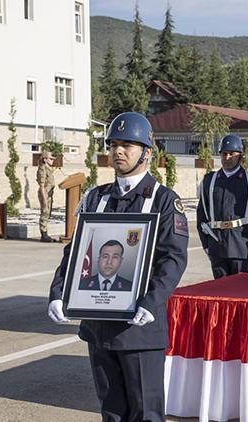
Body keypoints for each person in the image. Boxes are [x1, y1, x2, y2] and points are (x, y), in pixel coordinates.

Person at [47, 112, 189, 422]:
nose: (118, 151)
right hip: (99, 328)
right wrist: (58, 293)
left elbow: (174, 258)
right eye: (113, 144)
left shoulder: (164, 201)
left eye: (127, 145)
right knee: (111, 413)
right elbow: (74, 253)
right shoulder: (96, 198)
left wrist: (151, 303)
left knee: (146, 413)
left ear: (147, 153)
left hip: (140, 329)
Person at [196, 134, 248, 279]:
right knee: (220, 296)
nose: (227, 157)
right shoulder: (209, 181)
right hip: (216, 246)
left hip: (240, 247)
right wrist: (206, 244)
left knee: (239, 294)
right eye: (224, 154)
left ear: (240, 155)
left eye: (231, 154)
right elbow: (201, 214)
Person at [37, 150, 57, 243]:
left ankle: (45, 233)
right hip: (44, 193)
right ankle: (43, 235)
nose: (52, 160)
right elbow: (41, 185)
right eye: (50, 159)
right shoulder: (42, 169)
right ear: (45, 159)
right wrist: (44, 198)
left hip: (49, 194)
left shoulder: (48, 168)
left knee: (47, 213)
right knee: (44, 213)